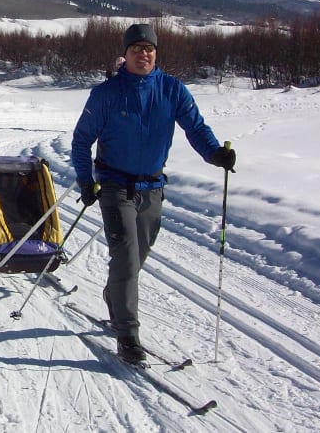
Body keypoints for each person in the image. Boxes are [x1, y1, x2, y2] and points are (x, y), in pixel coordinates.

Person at [71, 23, 236, 364]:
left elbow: (195, 127)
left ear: (156, 53)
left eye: (149, 49)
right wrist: (87, 181)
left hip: (152, 187)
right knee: (127, 257)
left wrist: (214, 153)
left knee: (136, 258)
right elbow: (81, 140)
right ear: (126, 54)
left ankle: (115, 297)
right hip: (115, 186)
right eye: (136, 49)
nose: (143, 54)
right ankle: (127, 334)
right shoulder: (107, 94)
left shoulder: (172, 90)